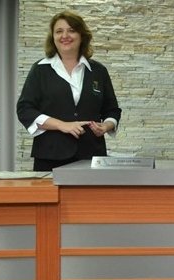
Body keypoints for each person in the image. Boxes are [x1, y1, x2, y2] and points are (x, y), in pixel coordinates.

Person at [16, 11, 121, 171]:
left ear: (81, 35)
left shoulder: (98, 71)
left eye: (71, 30)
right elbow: (25, 110)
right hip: (50, 156)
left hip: (91, 155)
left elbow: (112, 109)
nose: (65, 36)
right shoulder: (40, 70)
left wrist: (106, 125)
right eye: (59, 31)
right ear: (53, 37)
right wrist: (62, 125)